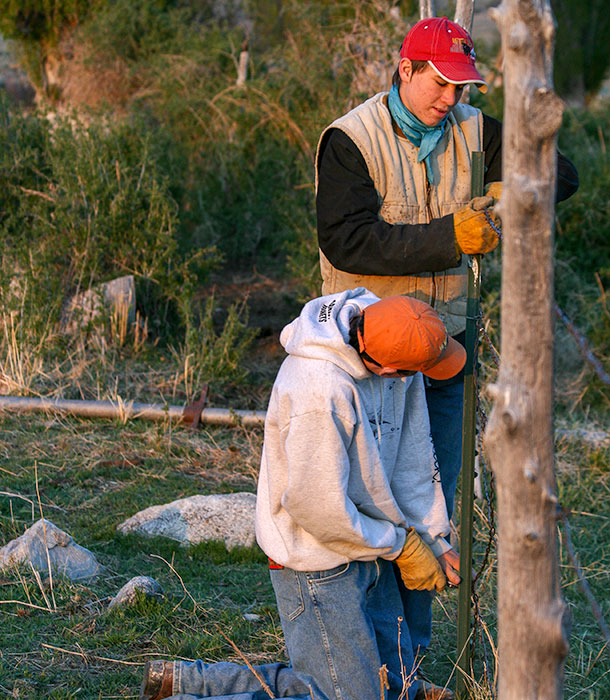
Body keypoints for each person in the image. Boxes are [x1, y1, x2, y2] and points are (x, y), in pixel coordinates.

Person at [315, 16, 579, 657]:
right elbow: (345, 238)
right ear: (405, 70)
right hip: (368, 361)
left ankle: (412, 662)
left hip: (444, 357)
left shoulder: (470, 127)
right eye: (439, 84)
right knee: (374, 511)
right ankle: (369, 661)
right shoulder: (351, 139)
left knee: (432, 510)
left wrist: (505, 189)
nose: (450, 100)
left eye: (461, 87)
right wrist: (446, 238)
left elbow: (561, 171)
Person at [140, 288, 467, 700]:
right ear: (387, 368)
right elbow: (316, 506)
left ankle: (185, 683)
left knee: (389, 687)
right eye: (417, 370)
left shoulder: (394, 348)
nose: (425, 376)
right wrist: (400, 546)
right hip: (314, 561)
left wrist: (431, 538)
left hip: (371, 547)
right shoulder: (317, 390)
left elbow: (412, 456)